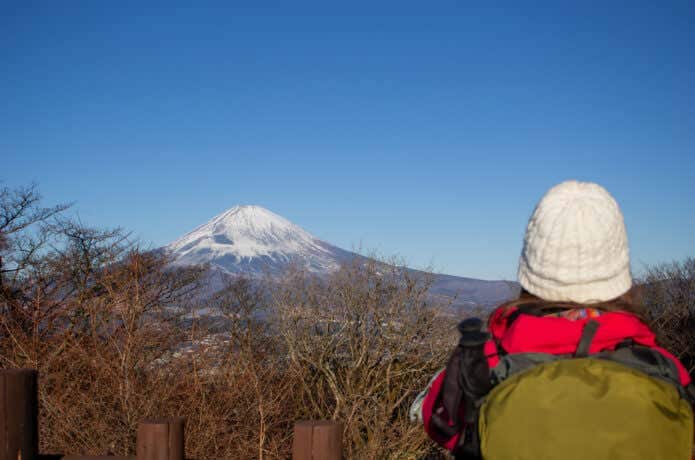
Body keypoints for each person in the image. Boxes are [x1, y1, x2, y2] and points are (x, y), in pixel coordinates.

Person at [414, 180, 694, 460]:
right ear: (619, 272)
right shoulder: (663, 370)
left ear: (530, 269)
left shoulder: (486, 362)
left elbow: (437, 421)